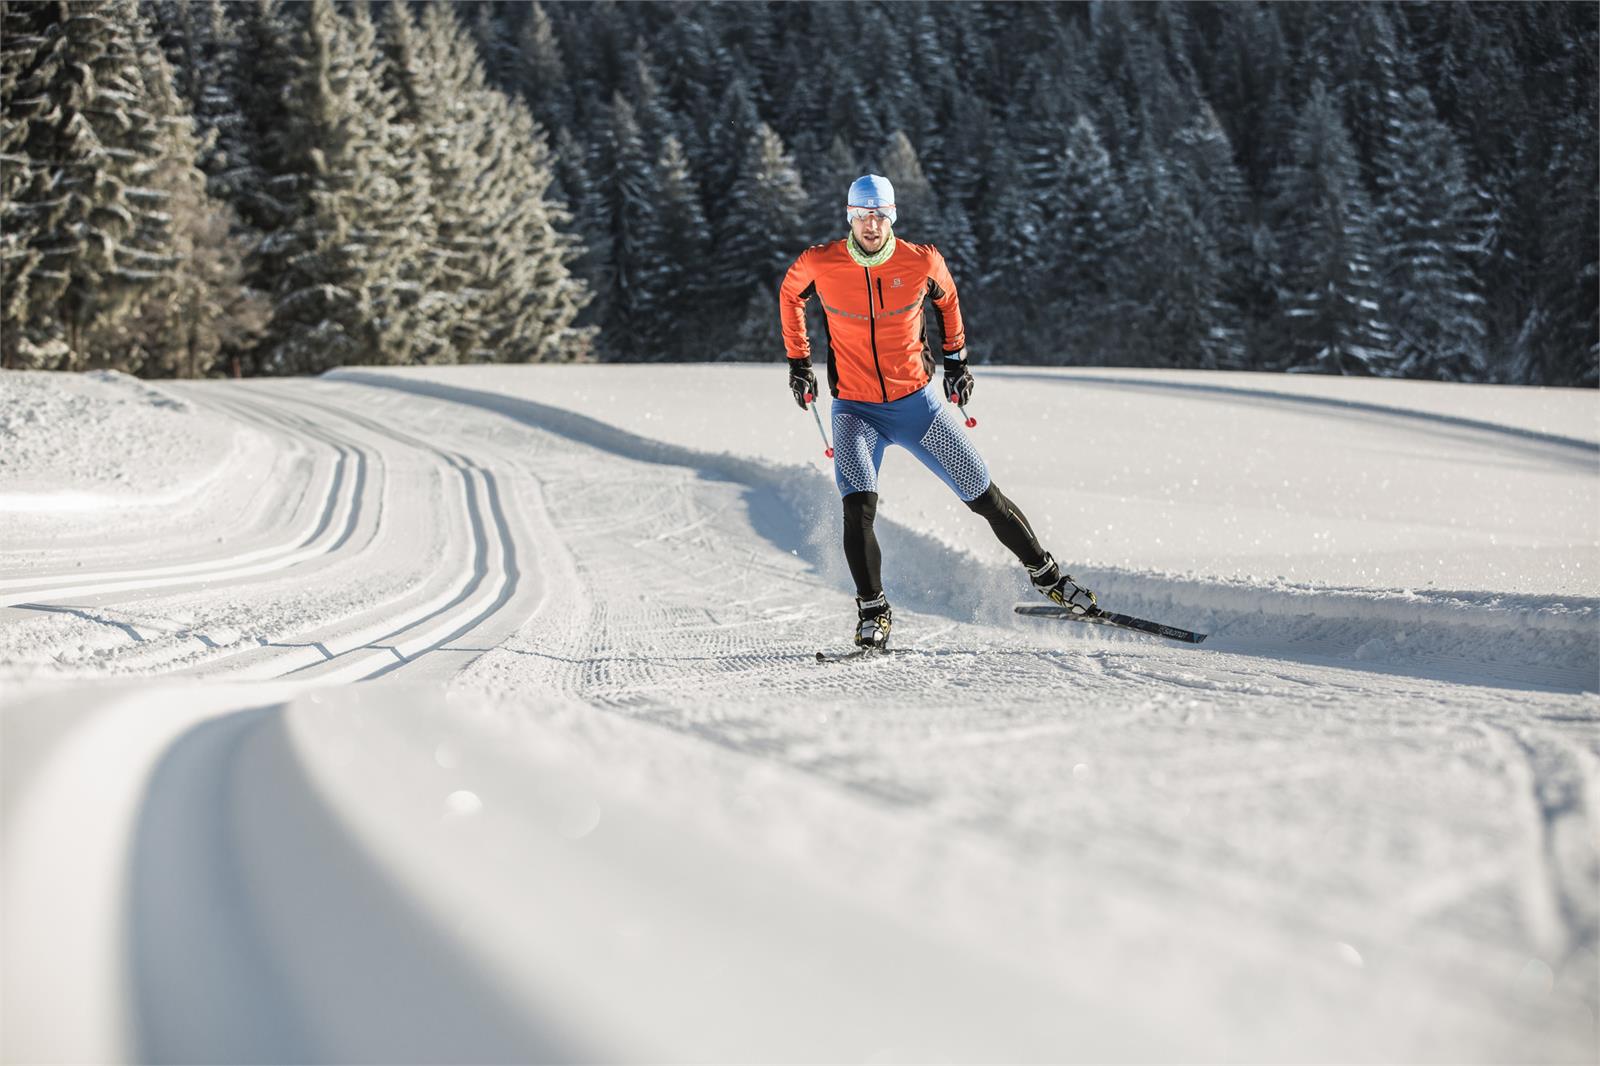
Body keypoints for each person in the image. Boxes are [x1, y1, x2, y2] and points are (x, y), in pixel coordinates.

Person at [779, 173, 1097, 649]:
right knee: (858, 505)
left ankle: (1048, 577)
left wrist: (957, 361)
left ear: (892, 217)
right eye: (862, 215)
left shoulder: (920, 260)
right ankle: (873, 610)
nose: (871, 224)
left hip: (918, 406)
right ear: (849, 216)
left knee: (982, 494)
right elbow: (789, 295)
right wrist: (799, 363)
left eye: (879, 215)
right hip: (855, 412)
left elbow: (947, 299)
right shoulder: (821, 263)